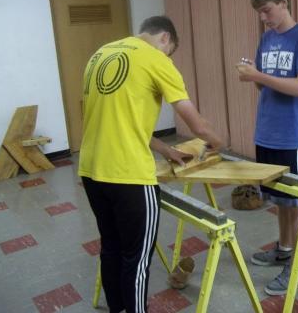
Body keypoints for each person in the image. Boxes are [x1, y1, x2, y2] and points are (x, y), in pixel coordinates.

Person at [78, 16, 222, 313]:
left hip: (92, 171)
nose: (167, 57)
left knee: (111, 248)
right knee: (137, 259)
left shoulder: (100, 54)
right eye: (169, 52)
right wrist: (219, 142)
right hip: (128, 176)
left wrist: (166, 149)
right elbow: (195, 124)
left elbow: (120, 122)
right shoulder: (156, 59)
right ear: (165, 39)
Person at [235, 0, 298, 296]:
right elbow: (264, 84)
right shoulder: (267, 38)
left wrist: (258, 75)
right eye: (259, 12)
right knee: (280, 201)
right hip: (266, 132)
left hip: (290, 135)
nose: (264, 18)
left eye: (267, 10)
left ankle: (296, 268)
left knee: (295, 202)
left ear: (284, 3)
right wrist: (253, 75)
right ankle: (284, 249)